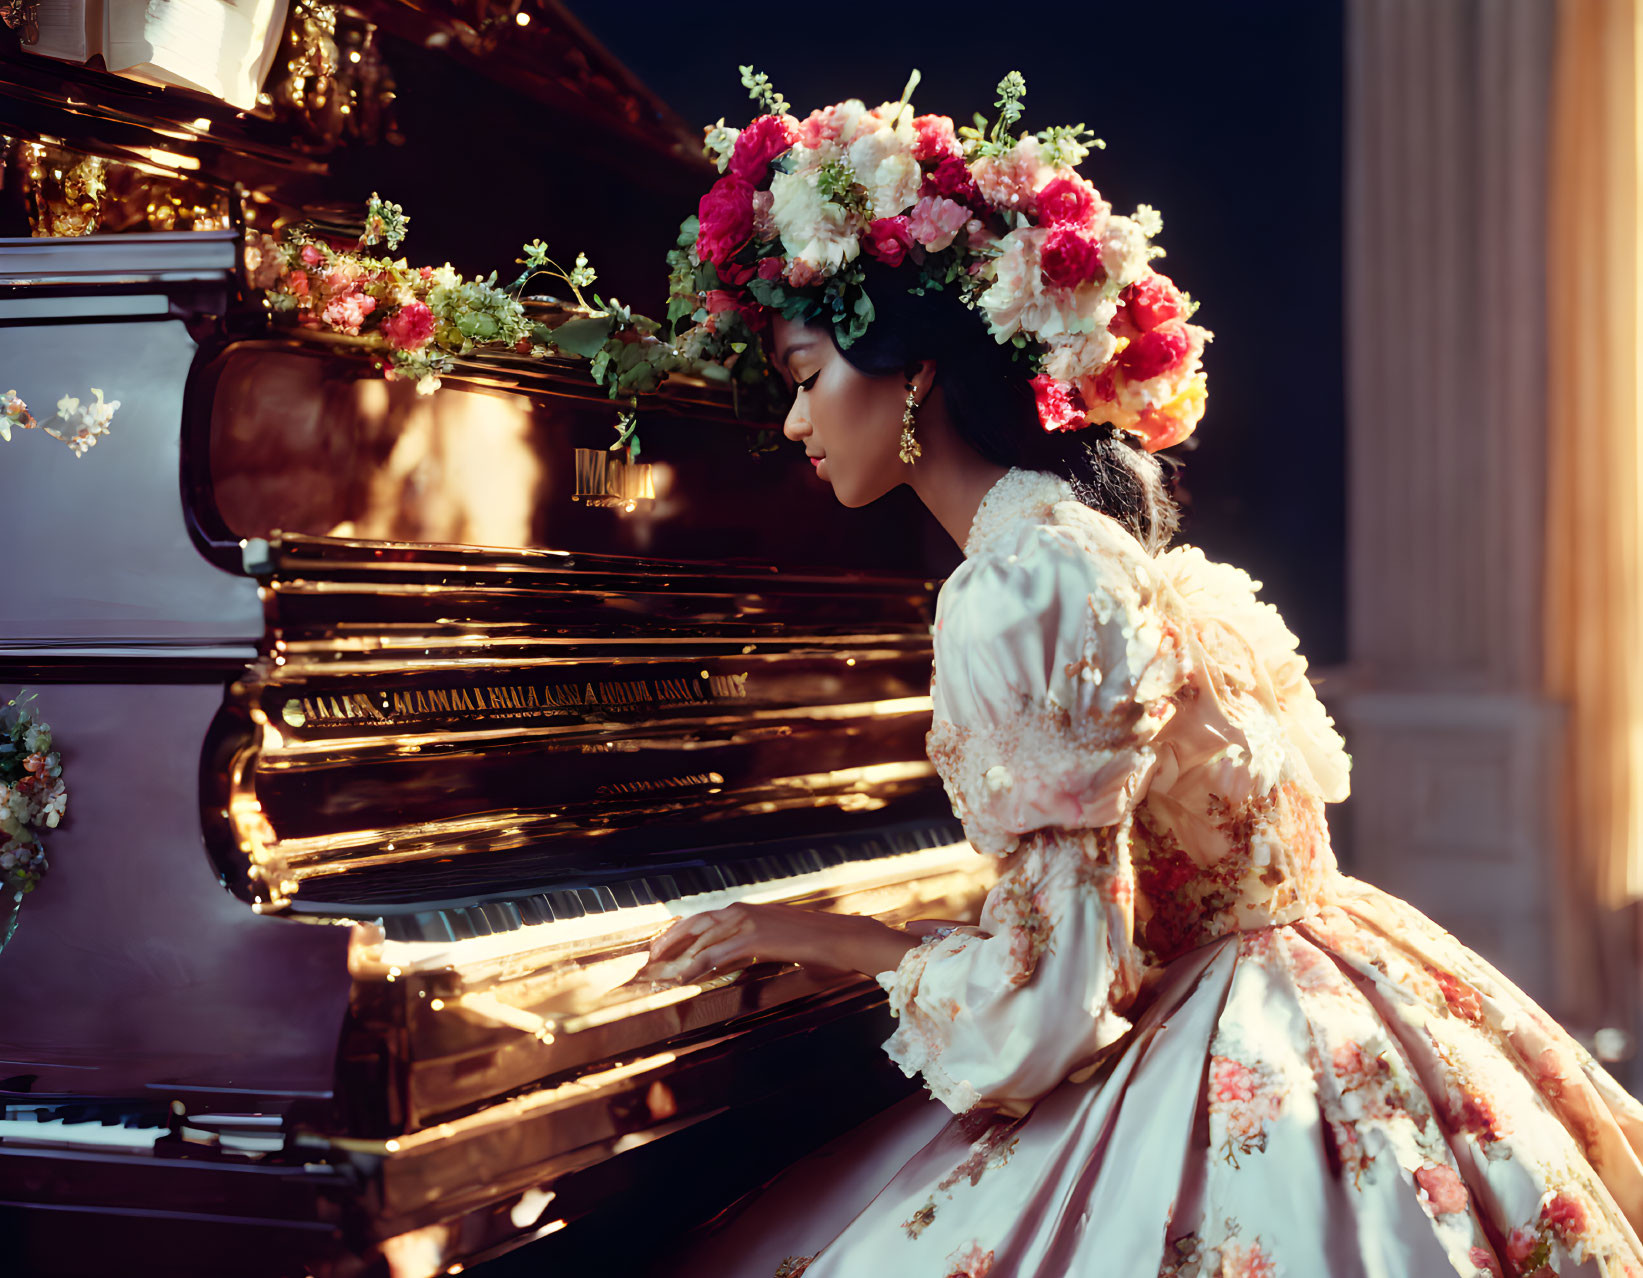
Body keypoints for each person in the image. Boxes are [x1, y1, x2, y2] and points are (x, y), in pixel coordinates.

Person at [633, 71, 1643, 1277]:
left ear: (913, 376)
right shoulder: (1091, 544)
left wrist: (801, 928)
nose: (794, 426)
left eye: (803, 380)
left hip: (1235, 1042)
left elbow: (1047, 1001)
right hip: (1329, 977)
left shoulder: (1015, 585)